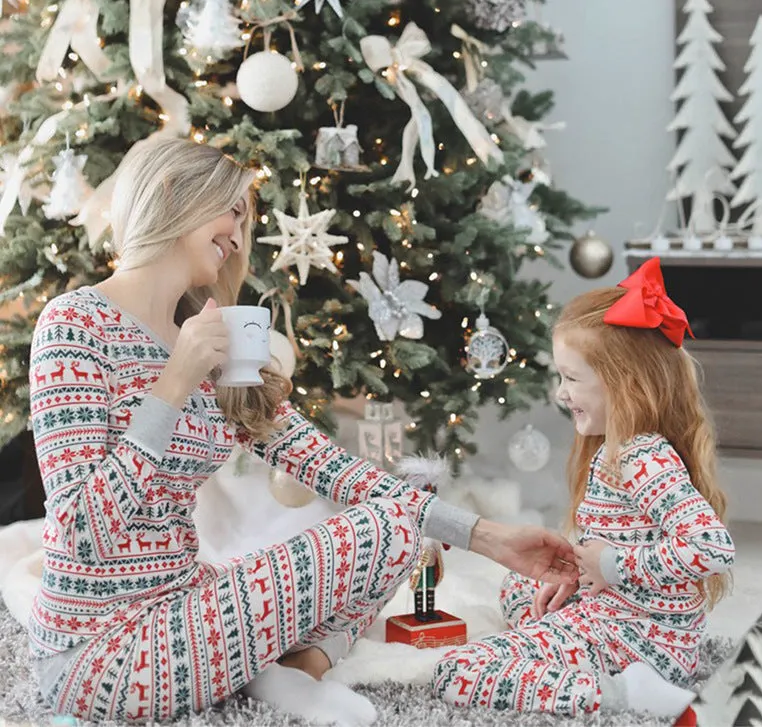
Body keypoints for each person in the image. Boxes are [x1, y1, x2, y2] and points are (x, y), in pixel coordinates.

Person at [27, 137, 577, 725]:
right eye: (231, 211)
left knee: (404, 519)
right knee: (390, 523)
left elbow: (332, 468)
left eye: (245, 219)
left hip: (185, 603)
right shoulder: (74, 325)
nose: (240, 237)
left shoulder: (210, 337)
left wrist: (488, 537)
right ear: (171, 195)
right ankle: (273, 675)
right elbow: (80, 533)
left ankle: (301, 668)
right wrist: (174, 384)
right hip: (99, 651)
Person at [431, 257, 735, 719]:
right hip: (629, 620)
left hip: (641, 641)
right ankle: (579, 648)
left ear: (624, 384)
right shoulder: (618, 449)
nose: (560, 392)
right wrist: (579, 575)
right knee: (521, 585)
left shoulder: (641, 457)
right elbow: (628, 538)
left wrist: (611, 564)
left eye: (571, 378)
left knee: (456, 672)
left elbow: (712, 547)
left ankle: (620, 695)